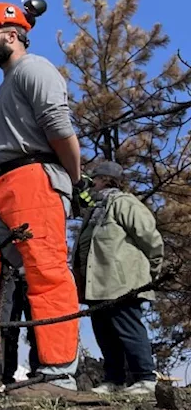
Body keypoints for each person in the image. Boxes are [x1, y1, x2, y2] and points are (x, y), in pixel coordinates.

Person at [0, 0, 90, 394]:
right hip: (8, 183)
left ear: (13, 34)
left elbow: (59, 127)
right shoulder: (8, 83)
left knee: (45, 271)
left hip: (35, 178)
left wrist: (75, 178)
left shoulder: (35, 69)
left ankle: (56, 372)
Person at [71, 160, 164, 394]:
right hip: (97, 284)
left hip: (122, 283)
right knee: (105, 332)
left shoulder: (124, 203)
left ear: (104, 180)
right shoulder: (96, 209)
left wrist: (151, 273)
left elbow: (151, 239)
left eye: (95, 180)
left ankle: (146, 378)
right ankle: (114, 380)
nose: (91, 185)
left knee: (128, 329)